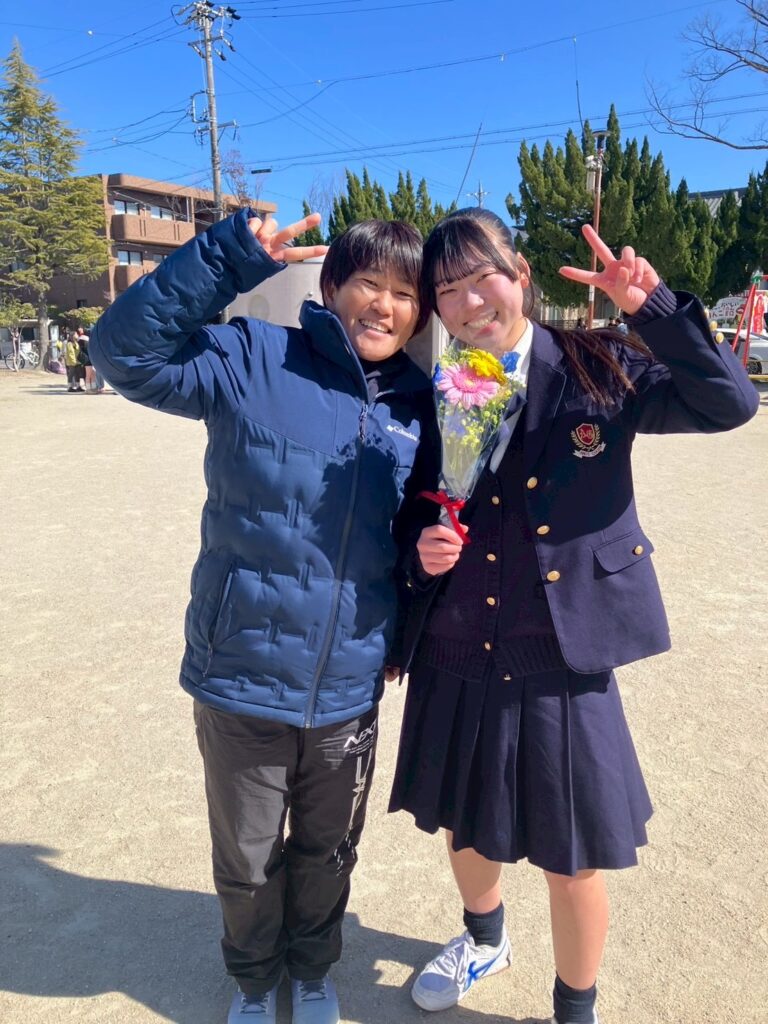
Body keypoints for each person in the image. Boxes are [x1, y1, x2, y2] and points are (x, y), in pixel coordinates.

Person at [389, 208, 758, 1024]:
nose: (468, 301)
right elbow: (411, 501)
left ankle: (575, 1008)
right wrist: (420, 548)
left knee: (572, 853)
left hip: (559, 646)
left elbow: (731, 405)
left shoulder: (601, 362)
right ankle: (484, 940)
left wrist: (652, 309)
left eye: (481, 276)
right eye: (446, 289)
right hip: (457, 638)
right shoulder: (441, 385)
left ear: (519, 274)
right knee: (464, 823)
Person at [89, 208, 437, 1024]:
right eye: (367, 282)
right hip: (242, 669)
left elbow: (414, 532)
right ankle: (252, 980)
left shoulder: (425, 406)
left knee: (328, 851)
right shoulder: (253, 357)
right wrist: (225, 258)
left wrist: (407, 618)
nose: (383, 305)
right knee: (247, 857)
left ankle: (311, 972)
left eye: (403, 293)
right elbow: (124, 354)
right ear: (331, 285)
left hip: (348, 680)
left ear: (420, 312)